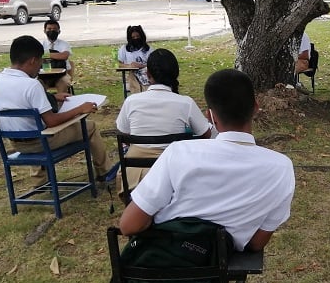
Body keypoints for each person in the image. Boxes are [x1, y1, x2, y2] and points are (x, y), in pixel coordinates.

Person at [119, 68, 295, 253]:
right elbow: (256, 244)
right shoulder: (281, 168)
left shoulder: (179, 152)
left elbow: (128, 225)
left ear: (210, 116)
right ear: (256, 108)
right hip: (218, 273)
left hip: (164, 269)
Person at [0, 35, 117, 185]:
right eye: (40, 62)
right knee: (90, 126)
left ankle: (40, 180)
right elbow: (51, 121)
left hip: (15, 143)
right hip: (40, 143)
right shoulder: (32, 84)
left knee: (30, 125)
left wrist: (53, 97)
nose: (40, 67)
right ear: (32, 60)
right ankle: (105, 172)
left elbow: (19, 100)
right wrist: (80, 109)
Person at [116, 48, 214, 194]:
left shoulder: (131, 101)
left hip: (136, 178)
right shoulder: (185, 103)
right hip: (174, 176)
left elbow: (124, 134)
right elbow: (206, 134)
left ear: (148, 74)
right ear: (176, 74)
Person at [40, 20, 73, 94]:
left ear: (59, 31)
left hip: (62, 75)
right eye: (49, 29)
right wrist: (57, 56)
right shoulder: (40, 44)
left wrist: (46, 55)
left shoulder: (64, 44)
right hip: (44, 76)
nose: (52, 31)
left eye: (54, 29)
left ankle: (62, 104)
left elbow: (64, 56)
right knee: (37, 84)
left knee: (64, 83)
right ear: (44, 31)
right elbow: (37, 56)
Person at [118, 25, 153, 94]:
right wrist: (130, 66)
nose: (136, 38)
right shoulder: (124, 49)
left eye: (137, 36)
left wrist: (142, 66)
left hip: (147, 74)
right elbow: (119, 64)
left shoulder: (149, 49)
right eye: (133, 37)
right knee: (133, 76)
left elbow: (154, 64)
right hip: (132, 74)